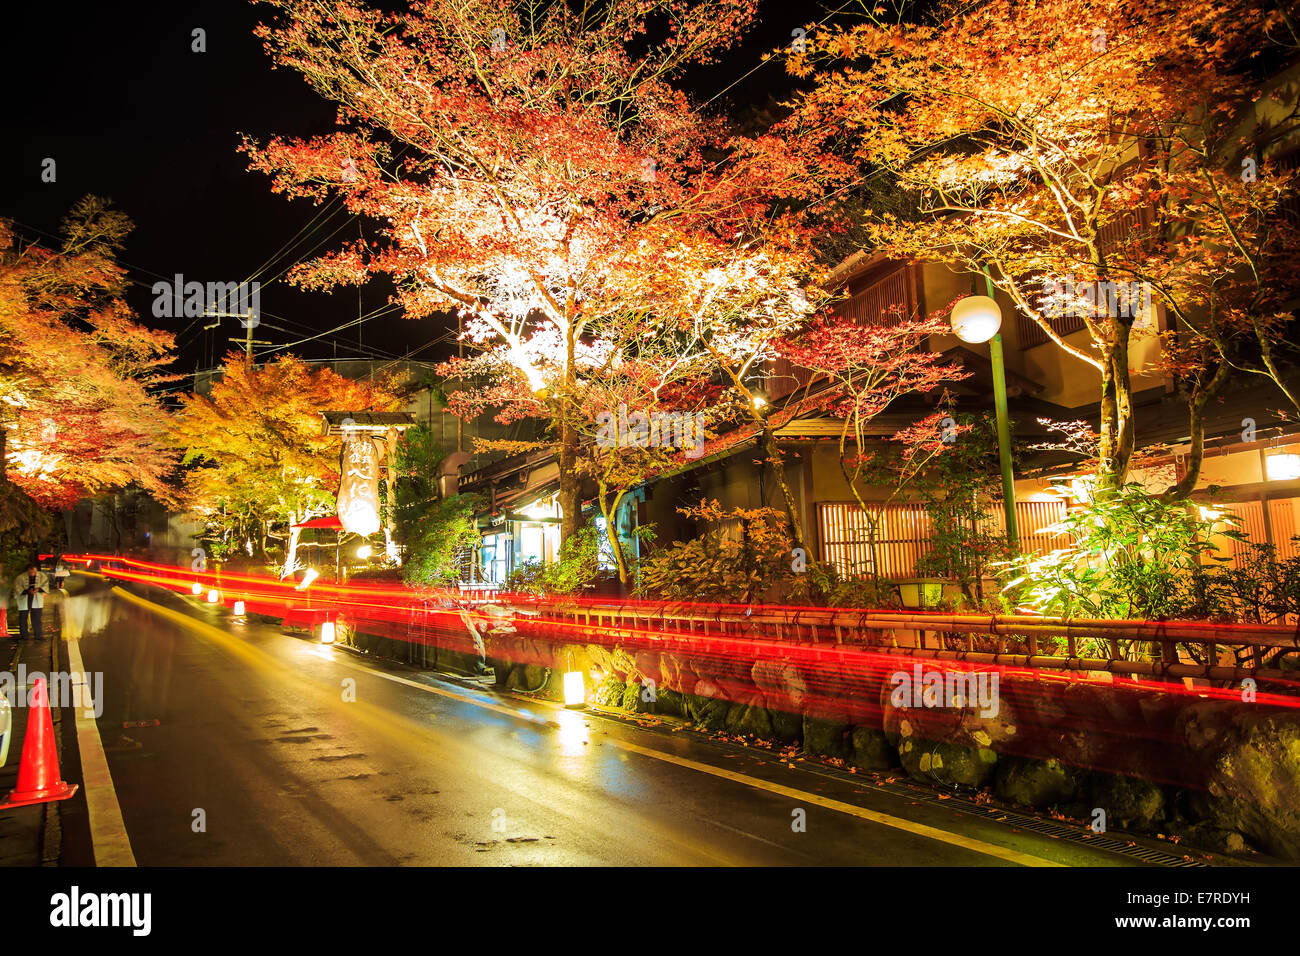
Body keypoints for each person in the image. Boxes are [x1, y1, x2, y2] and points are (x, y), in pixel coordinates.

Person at [13, 563, 49, 643]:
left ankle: (38, 636)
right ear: (27, 571)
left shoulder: (42, 576)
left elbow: (45, 585)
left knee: (37, 618)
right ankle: (24, 636)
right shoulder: (20, 577)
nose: (32, 574)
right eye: (31, 572)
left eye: (34, 572)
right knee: (23, 618)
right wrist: (27, 591)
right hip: (24, 599)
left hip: (37, 599)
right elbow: (17, 588)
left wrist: (38, 589)